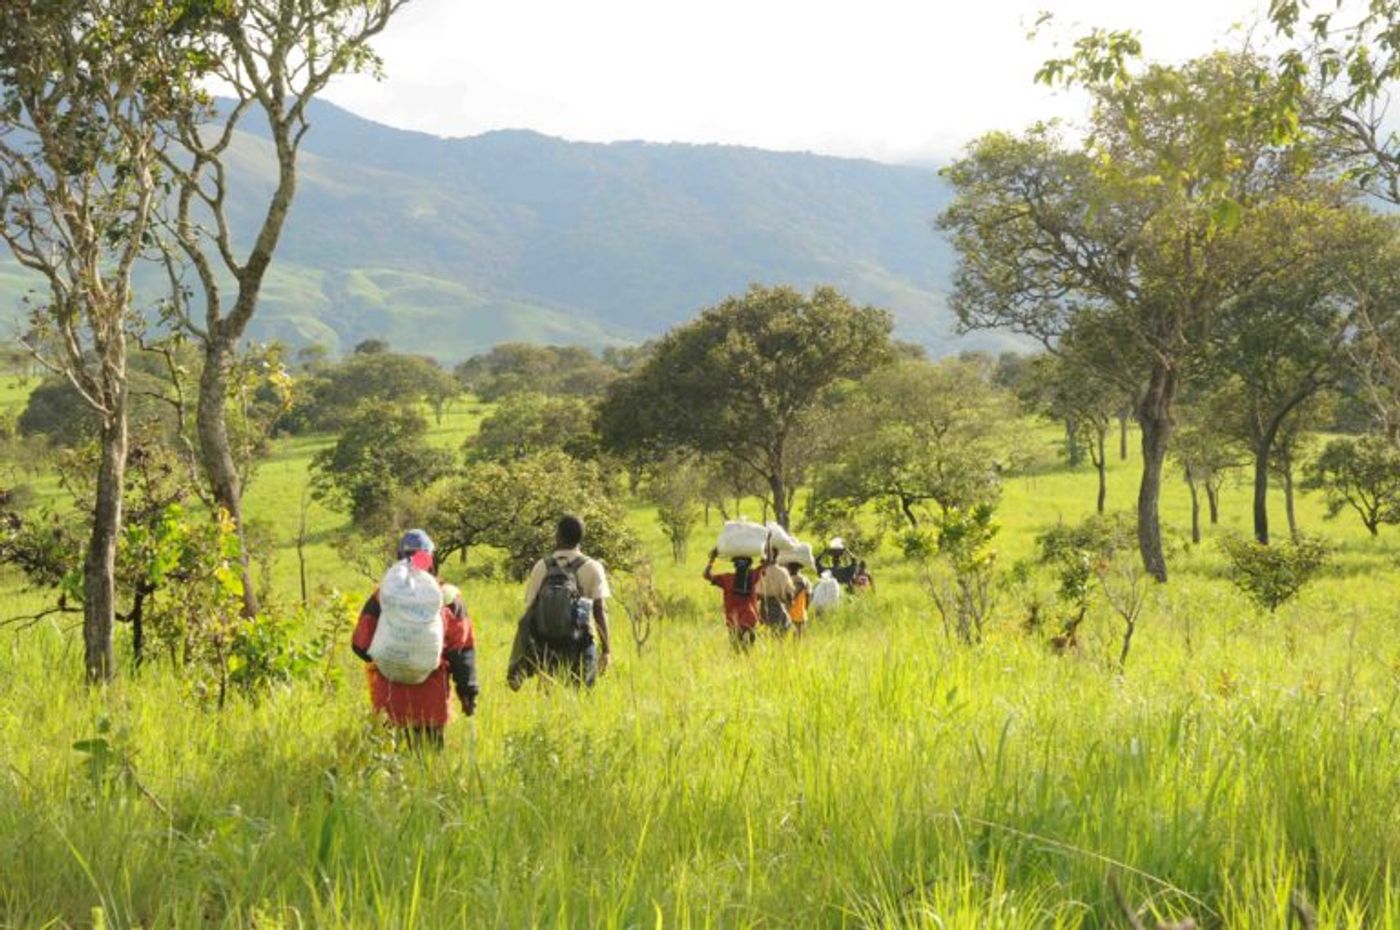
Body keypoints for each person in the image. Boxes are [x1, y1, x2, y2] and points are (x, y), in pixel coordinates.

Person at [351, 529, 478, 750]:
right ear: (431, 559)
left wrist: (391, 660)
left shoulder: (383, 596)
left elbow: (360, 644)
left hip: (388, 702)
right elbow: (462, 650)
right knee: (428, 767)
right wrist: (468, 692)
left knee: (389, 769)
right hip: (432, 703)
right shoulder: (448, 597)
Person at [508, 514, 612, 689]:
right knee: (583, 696)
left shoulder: (542, 566)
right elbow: (599, 610)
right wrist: (606, 650)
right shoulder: (593, 567)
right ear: (581, 537)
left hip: (546, 644)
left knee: (549, 697)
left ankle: (519, 676)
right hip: (582, 642)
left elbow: (530, 611)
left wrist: (525, 656)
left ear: (558, 536)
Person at [703, 546, 770, 650]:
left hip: (733, 622)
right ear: (749, 565)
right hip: (750, 620)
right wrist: (768, 543)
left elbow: (706, 575)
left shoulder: (727, 578)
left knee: (736, 651)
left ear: (735, 566)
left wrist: (712, 558)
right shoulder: (752, 576)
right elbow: (768, 562)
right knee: (749, 652)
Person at [755, 547, 795, 635]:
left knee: (764, 634)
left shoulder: (760, 571)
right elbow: (789, 593)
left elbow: (755, 593)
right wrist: (790, 603)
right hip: (778, 607)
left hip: (763, 608)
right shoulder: (783, 572)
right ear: (777, 556)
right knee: (781, 634)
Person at [786, 561, 812, 637]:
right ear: (799, 569)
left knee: (788, 636)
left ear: (789, 569)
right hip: (801, 612)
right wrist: (806, 609)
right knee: (799, 636)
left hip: (789, 612)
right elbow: (809, 596)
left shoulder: (787, 579)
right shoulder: (806, 580)